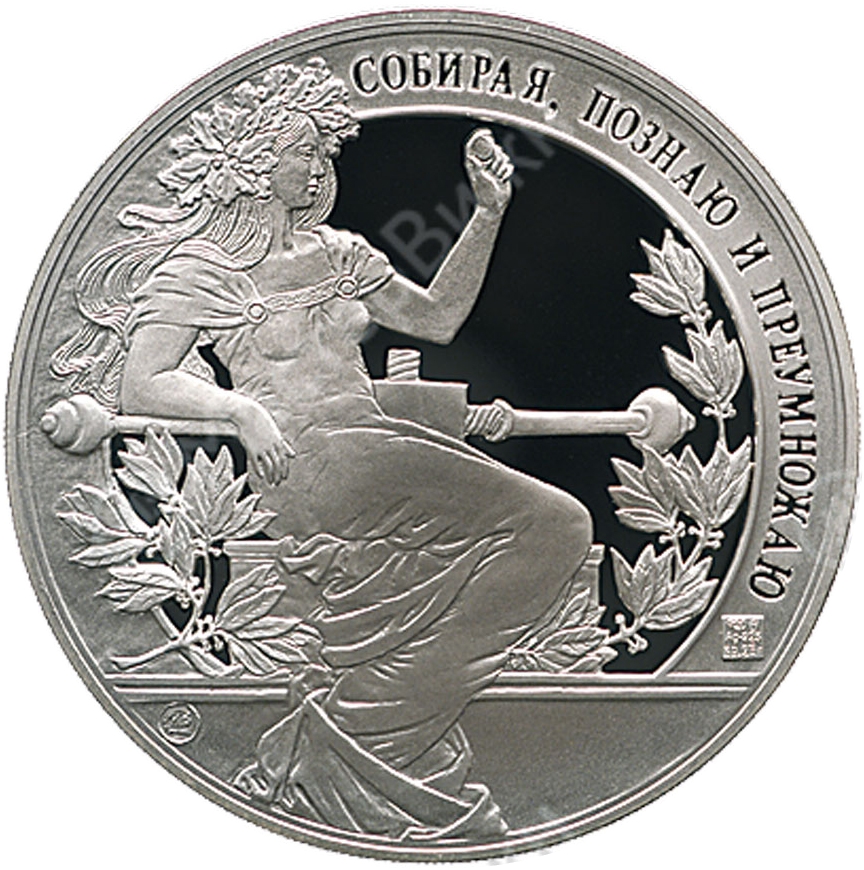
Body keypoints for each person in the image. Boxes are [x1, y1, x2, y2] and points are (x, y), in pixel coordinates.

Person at [52, 60, 592, 841]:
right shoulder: (202, 270)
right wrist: (239, 409)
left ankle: (356, 727)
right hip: (308, 465)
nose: (319, 165)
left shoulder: (338, 254)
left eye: (319, 152)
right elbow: (143, 383)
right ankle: (369, 726)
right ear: (253, 161)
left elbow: (437, 319)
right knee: (557, 525)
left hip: (372, 446)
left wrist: (486, 213)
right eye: (304, 150)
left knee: (553, 528)